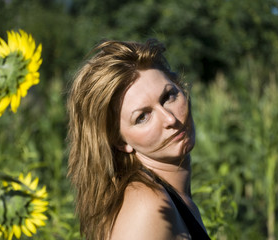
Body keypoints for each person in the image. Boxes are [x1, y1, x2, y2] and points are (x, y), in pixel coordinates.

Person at [67, 39, 210, 240]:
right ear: (120, 141)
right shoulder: (147, 207)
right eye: (142, 117)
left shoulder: (168, 197)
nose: (170, 119)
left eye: (169, 96)